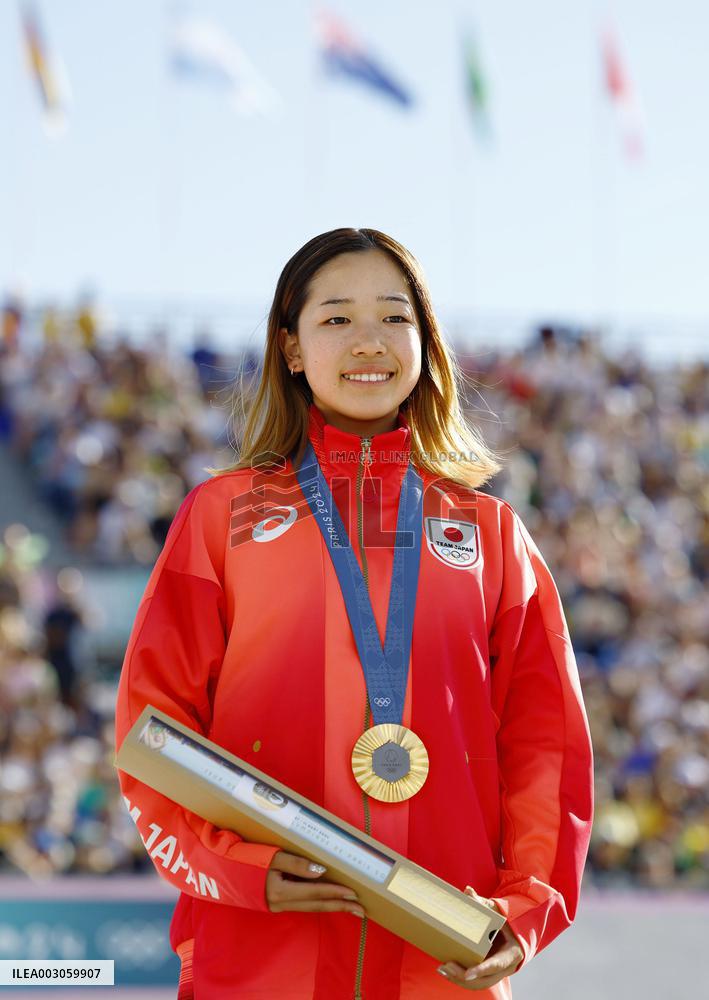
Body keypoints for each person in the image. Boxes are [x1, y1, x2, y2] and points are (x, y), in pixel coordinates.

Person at [115, 228, 594, 999]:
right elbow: (151, 730)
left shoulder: (489, 534)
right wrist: (240, 869)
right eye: (336, 318)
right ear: (293, 349)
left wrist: (522, 908)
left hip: (440, 962)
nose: (368, 341)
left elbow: (547, 747)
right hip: (258, 959)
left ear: (425, 344)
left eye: (393, 318)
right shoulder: (221, 519)